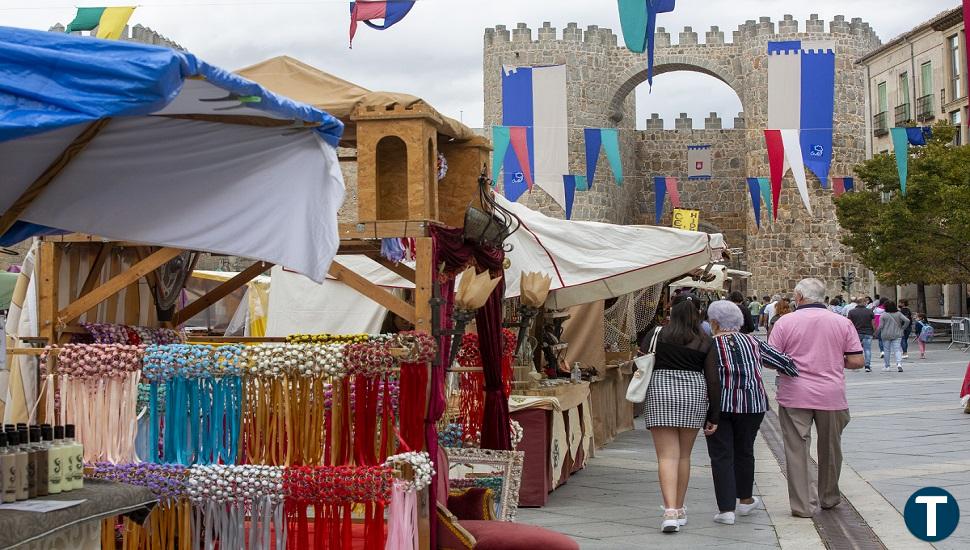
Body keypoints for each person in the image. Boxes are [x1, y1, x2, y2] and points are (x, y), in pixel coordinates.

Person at [768, 278, 864, 517]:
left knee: (796, 450)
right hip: (831, 394)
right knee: (831, 448)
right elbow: (856, 361)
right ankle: (828, 497)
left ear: (799, 297)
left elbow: (770, 358)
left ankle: (803, 506)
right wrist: (832, 359)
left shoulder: (784, 322)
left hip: (794, 395)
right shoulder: (842, 322)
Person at [705, 301, 797, 526]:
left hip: (720, 406)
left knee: (721, 455)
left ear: (714, 322)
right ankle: (745, 499)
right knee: (745, 450)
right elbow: (785, 364)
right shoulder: (753, 342)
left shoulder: (708, 345)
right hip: (752, 405)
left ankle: (726, 510)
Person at [645, 293, 720, 533]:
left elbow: (642, 357)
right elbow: (713, 380)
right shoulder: (705, 340)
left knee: (667, 456)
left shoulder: (657, 334)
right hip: (693, 394)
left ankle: (668, 512)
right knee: (684, 456)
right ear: (698, 312)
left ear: (672, 310)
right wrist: (714, 415)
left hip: (661, 392)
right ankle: (679, 507)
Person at [876, 301, 910, 372]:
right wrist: (903, 328)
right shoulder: (898, 314)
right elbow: (907, 320)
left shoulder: (883, 315)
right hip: (897, 334)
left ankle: (887, 366)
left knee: (887, 350)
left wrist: (876, 332)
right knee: (897, 350)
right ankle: (899, 364)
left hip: (886, 334)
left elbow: (881, 326)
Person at [847, 298, 875, 372]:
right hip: (868, 332)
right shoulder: (869, 311)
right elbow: (873, 323)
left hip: (856, 333)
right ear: (863, 302)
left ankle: (855, 366)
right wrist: (874, 331)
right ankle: (867, 366)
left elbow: (849, 323)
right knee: (867, 349)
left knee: (856, 350)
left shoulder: (851, 312)